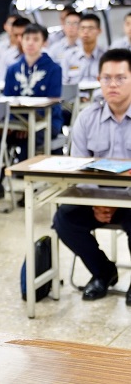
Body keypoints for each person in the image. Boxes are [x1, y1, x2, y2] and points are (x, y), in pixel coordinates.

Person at [53, 48, 131, 304]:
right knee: (64, 218)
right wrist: (96, 202)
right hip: (95, 198)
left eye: (121, 77)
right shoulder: (87, 118)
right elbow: (80, 169)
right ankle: (103, 271)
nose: (113, 84)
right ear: (99, 80)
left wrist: (116, 202)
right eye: (106, 78)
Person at [3, 23, 63, 159]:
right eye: (27, 38)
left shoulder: (54, 69)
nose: (30, 43)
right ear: (21, 40)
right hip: (17, 123)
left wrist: (29, 125)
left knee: (29, 140)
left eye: (35, 39)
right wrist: (17, 124)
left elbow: (53, 102)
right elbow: (7, 99)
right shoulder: (12, 69)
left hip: (47, 122)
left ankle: (23, 176)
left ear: (44, 43)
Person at [62, 14, 106, 86]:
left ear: (99, 31)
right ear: (78, 31)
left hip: (99, 96)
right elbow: (64, 83)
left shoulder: (105, 57)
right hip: (75, 96)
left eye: (90, 28)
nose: (85, 32)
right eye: (82, 28)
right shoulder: (69, 56)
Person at [0, 16, 30, 83]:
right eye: (16, 35)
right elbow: (1, 81)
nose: (19, 39)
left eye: (23, 35)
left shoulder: (45, 54)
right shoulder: (7, 56)